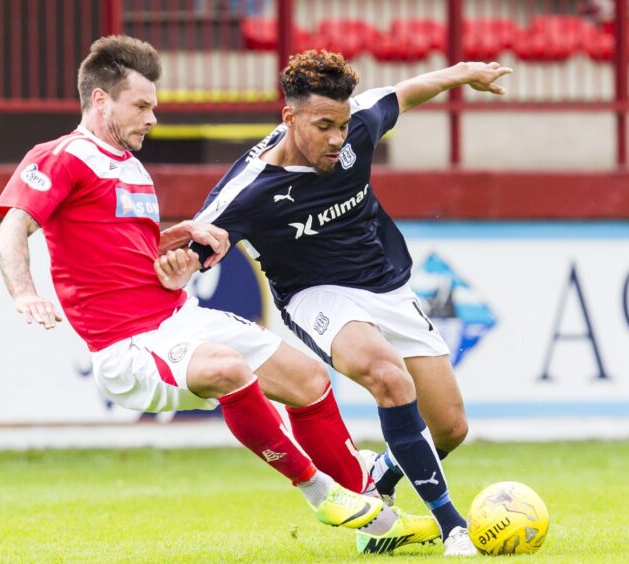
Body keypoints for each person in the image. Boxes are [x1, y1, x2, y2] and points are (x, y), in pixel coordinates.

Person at [0, 35, 439, 548]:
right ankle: (321, 493)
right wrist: (24, 293)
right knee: (226, 368)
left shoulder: (129, 166)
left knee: (310, 379)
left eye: (153, 106)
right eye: (140, 106)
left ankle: (375, 522)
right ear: (100, 100)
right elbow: (13, 227)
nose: (152, 118)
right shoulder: (63, 156)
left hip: (179, 316)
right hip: (127, 346)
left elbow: (123, 253)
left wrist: (182, 235)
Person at [191, 50, 513, 556]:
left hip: (384, 285)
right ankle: (451, 526)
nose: (337, 139)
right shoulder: (250, 189)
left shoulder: (358, 124)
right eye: (324, 126)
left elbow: (405, 93)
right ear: (290, 117)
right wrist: (179, 264)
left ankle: (378, 476)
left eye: (341, 126)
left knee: (450, 428)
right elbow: (197, 240)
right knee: (385, 373)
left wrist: (464, 75)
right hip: (315, 295)